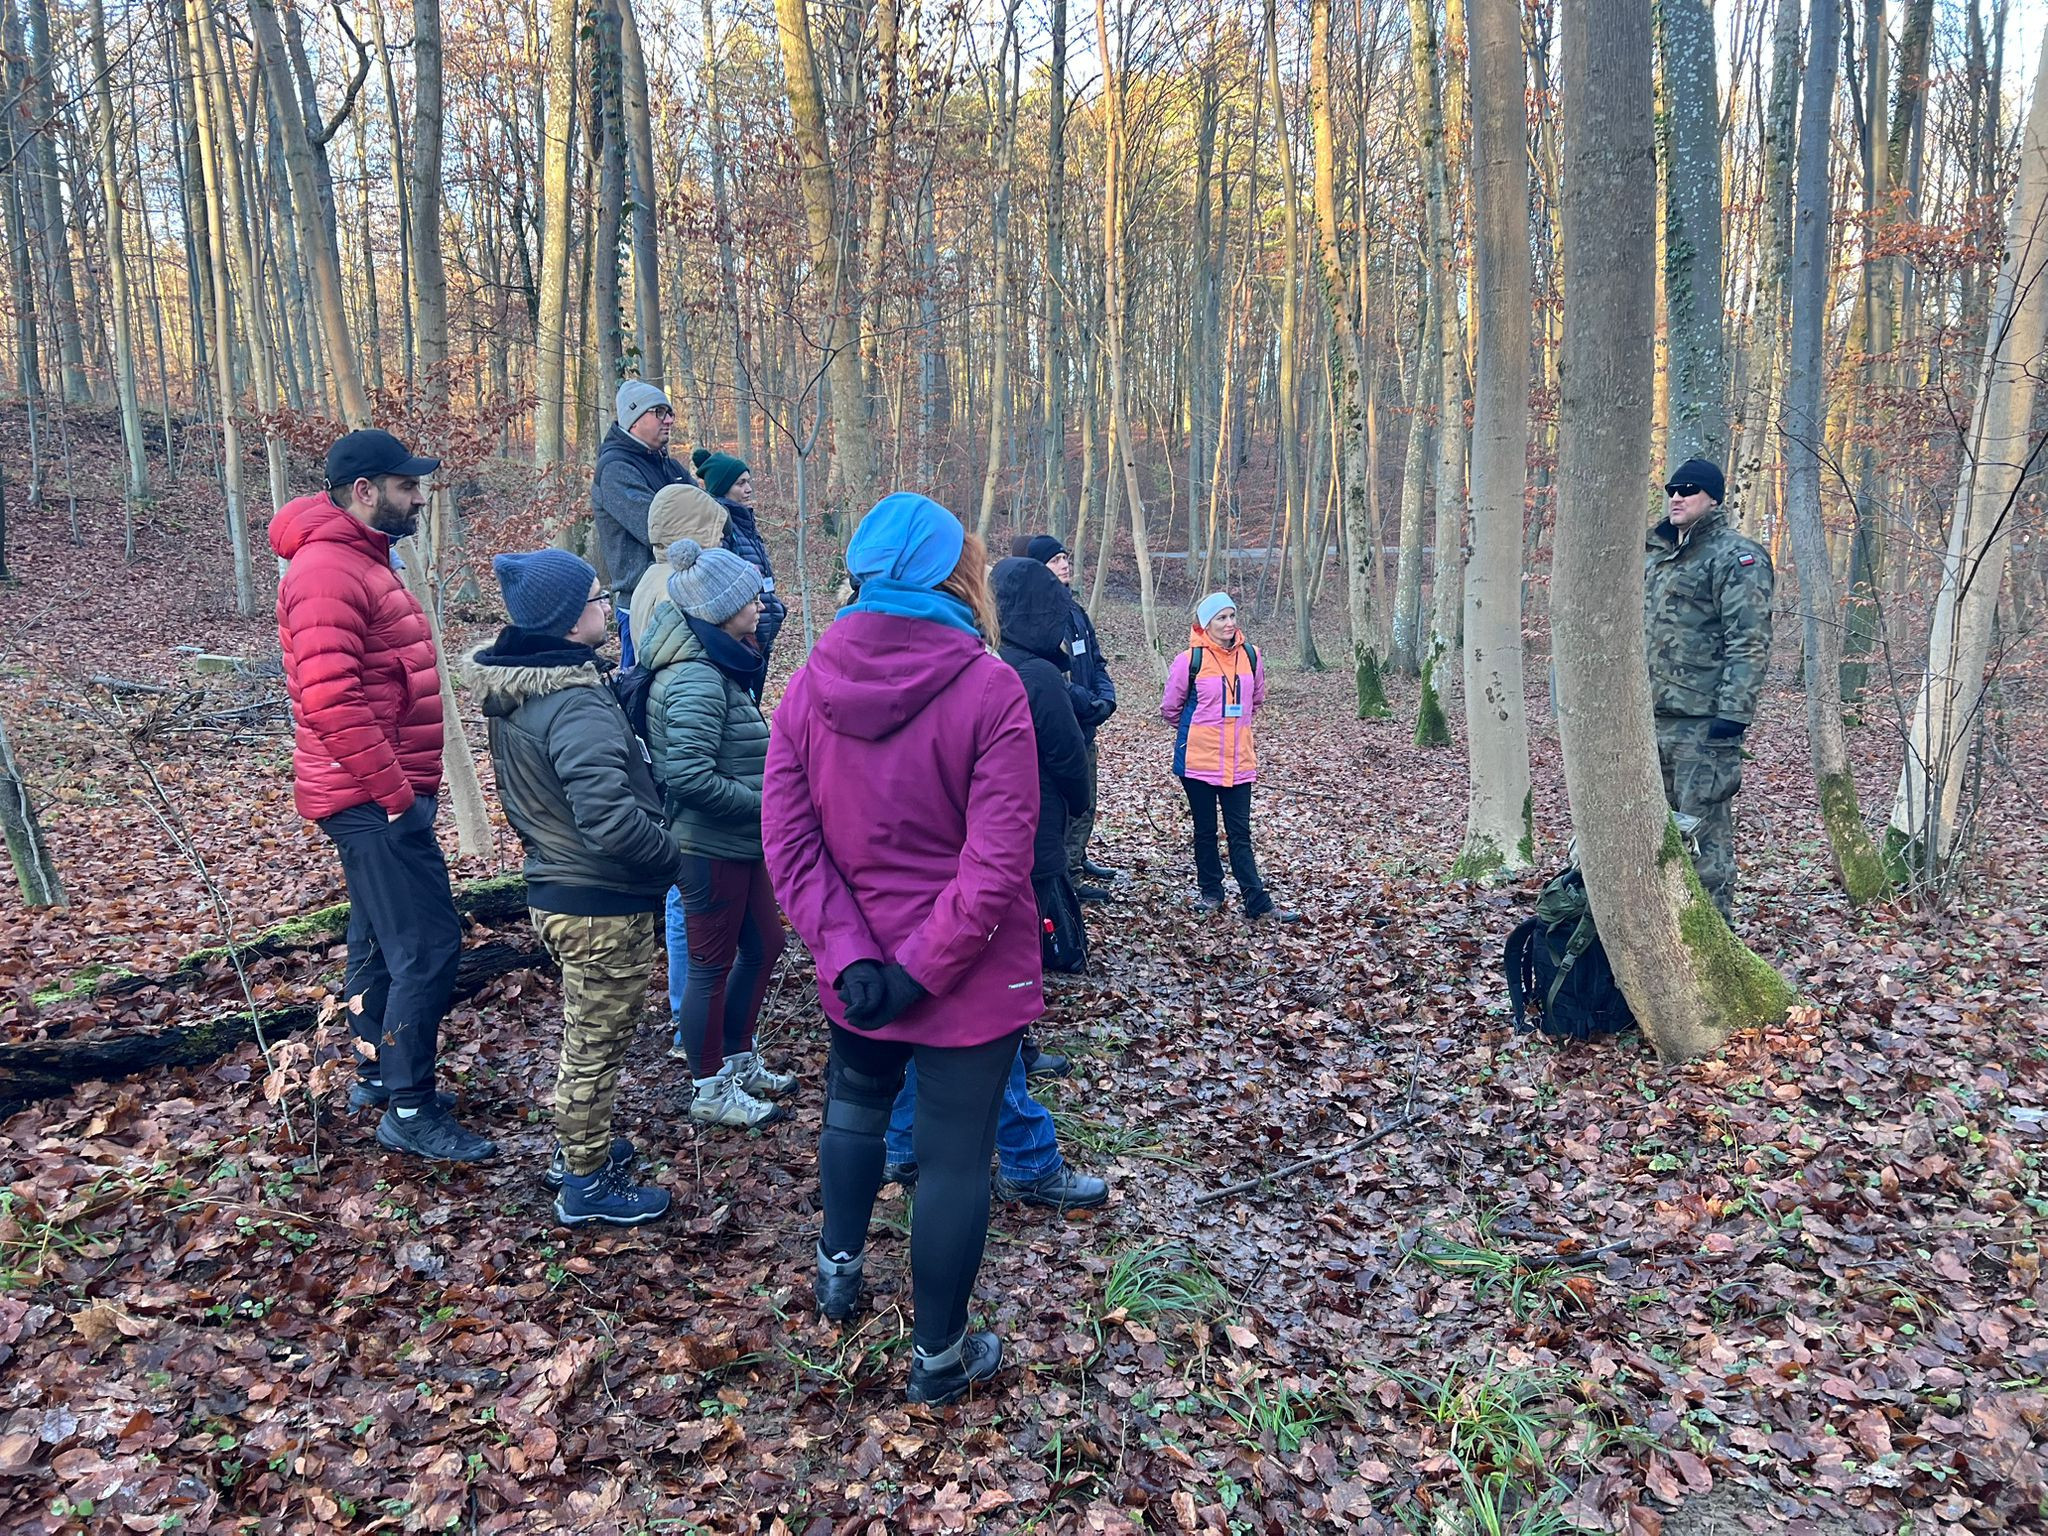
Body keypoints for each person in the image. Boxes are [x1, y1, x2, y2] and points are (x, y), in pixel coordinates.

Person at [763, 493, 1039, 1406]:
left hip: (862, 973)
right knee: (955, 1159)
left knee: (855, 1109)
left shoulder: (807, 682)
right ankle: (939, 1358)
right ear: (952, 574)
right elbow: (997, 860)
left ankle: (837, 1273)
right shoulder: (989, 686)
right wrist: (919, 970)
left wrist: (850, 958)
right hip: (963, 974)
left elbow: (789, 842)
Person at [270, 429, 494, 1161]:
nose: (420, 498)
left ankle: (378, 1074)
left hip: (375, 792)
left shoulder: (362, 558)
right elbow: (329, 699)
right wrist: (396, 794)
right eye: (407, 486)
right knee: (427, 945)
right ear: (364, 491)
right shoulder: (328, 570)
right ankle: (410, 1106)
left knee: (376, 942)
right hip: (371, 798)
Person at [876, 555, 1109, 1214]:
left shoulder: (940, 671)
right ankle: (1029, 1161)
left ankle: (902, 1143)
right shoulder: (995, 677)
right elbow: (1055, 766)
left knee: (938, 1010)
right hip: (981, 874)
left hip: (938, 875)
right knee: (985, 1017)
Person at [462, 550, 684, 1225]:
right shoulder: (573, 703)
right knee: (595, 1045)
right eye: (595, 597)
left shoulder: (525, 692)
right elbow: (609, 819)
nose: (608, 606)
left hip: (562, 889)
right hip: (596, 902)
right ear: (564, 621)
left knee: (591, 1035)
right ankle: (584, 1183)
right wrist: (671, 860)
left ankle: (579, 1147)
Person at [641, 539, 796, 1129]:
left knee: (765, 945)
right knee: (710, 965)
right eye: (749, 598)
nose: (759, 605)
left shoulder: (718, 660)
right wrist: (769, 804)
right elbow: (688, 777)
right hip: (708, 847)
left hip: (738, 841)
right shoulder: (696, 679)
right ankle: (709, 1086)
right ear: (720, 608)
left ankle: (737, 1059)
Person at [1644, 458, 1774, 920]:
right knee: (1650, 839)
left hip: (1703, 726)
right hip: (1648, 721)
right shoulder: (1656, 556)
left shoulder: (1737, 557)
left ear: (1713, 498)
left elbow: (1749, 640)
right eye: (1672, 489)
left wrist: (1732, 717)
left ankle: (1714, 937)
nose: (1677, 496)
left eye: (1690, 489)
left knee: (1704, 842)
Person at [1160, 593, 1297, 922]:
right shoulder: (1189, 660)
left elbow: (1256, 699)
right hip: (1198, 761)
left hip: (1239, 761)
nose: (1229, 623)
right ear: (1206, 624)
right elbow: (1170, 708)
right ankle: (1211, 893)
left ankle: (1256, 901)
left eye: (1232, 615)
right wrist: (1200, 731)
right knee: (1205, 831)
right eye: (1221, 618)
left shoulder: (1251, 655)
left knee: (1240, 834)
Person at [1025, 534, 1119, 899]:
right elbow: (1051, 677)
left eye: (1065, 557)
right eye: (1055, 560)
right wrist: (1089, 703)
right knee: (1062, 803)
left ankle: (1077, 859)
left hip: (1087, 724)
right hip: (1062, 723)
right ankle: (1068, 877)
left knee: (1087, 799)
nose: (1064, 564)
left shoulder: (1075, 611)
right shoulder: (1037, 614)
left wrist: (1105, 698)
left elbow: (1096, 660)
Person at [593, 381, 696, 666]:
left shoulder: (668, 466)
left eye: (670, 412)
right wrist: (699, 526)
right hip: (642, 604)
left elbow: (712, 512)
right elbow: (658, 529)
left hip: (683, 598)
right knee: (641, 685)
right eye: (659, 412)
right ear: (634, 418)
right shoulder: (616, 469)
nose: (669, 420)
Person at [693, 449, 787, 671]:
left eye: (748, 481)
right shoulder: (719, 528)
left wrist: (776, 607)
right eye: (740, 483)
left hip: (760, 631)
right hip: (742, 638)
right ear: (723, 488)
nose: (748, 489)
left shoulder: (745, 523)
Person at [629, 484, 728, 646]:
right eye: (713, 527)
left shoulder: (653, 575)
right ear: (694, 529)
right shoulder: (683, 588)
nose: (722, 535)